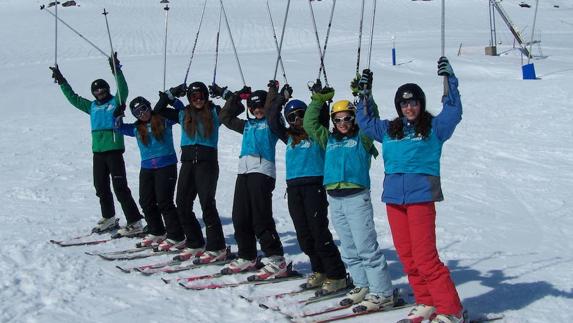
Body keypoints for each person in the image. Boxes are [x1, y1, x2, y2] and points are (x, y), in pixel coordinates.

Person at [354, 57, 466, 323]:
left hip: (420, 198)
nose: (409, 107)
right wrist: (364, 95)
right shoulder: (390, 130)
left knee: (426, 257)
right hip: (394, 199)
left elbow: (453, 110)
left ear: (421, 103)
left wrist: (449, 80)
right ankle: (427, 300)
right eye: (404, 103)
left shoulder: (434, 128)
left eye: (413, 102)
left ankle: (452, 310)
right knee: (407, 257)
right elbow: (366, 121)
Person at [303, 82, 397, 312]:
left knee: (366, 247)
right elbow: (309, 123)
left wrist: (365, 97)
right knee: (349, 247)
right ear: (333, 121)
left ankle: (383, 292)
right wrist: (318, 100)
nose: (343, 123)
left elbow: (371, 118)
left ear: (354, 119)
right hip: (335, 198)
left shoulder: (363, 138)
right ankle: (362, 285)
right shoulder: (329, 139)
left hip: (357, 197)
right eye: (338, 119)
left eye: (347, 118)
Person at [267, 82, 349, 295]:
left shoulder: (316, 133)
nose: (297, 120)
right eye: (292, 117)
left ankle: (337, 274)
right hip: (294, 189)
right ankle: (319, 270)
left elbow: (319, 116)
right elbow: (272, 122)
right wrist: (280, 99)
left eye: (300, 114)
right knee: (304, 235)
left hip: (314, 187)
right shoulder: (289, 138)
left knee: (318, 232)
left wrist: (318, 97)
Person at [49, 53, 143, 235]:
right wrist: (62, 82)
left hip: (114, 151)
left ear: (107, 90)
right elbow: (74, 99)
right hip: (98, 153)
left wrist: (116, 71)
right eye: (96, 91)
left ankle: (134, 221)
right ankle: (108, 217)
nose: (100, 93)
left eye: (102, 90)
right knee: (100, 186)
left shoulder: (116, 102)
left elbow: (123, 89)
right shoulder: (91, 106)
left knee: (120, 187)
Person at [212, 82, 286, 280]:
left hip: (262, 171)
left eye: (261, 106)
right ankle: (247, 255)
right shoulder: (247, 125)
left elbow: (272, 112)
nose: (258, 110)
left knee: (260, 216)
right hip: (243, 172)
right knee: (240, 216)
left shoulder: (271, 123)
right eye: (254, 108)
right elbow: (224, 117)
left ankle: (276, 257)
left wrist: (272, 92)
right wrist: (237, 96)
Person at [153, 82, 228, 264]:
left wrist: (224, 93)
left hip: (207, 164)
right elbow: (158, 110)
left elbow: (237, 108)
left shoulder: (214, 112)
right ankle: (194, 242)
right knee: (182, 203)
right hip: (187, 163)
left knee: (207, 204)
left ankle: (217, 246)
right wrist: (170, 94)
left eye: (201, 96)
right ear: (189, 99)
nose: (198, 100)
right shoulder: (182, 114)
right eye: (194, 97)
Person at [114, 96, 185, 248]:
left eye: (144, 109)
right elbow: (118, 127)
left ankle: (176, 235)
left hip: (166, 165)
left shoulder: (163, 120)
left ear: (149, 107)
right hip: (147, 167)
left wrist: (172, 100)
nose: (142, 114)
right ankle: (157, 231)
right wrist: (117, 114)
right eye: (137, 113)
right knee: (146, 201)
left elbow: (182, 113)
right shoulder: (136, 128)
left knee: (164, 201)